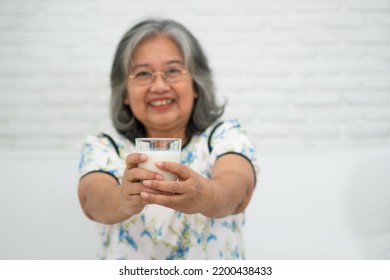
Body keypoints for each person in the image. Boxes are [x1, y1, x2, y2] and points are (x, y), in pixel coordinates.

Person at [78, 18, 259, 260]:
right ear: (124, 93)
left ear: (196, 84)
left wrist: (204, 194)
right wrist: (122, 199)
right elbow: (92, 200)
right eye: (143, 73)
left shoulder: (224, 137)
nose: (159, 86)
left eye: (173, 70)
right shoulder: (104, 147)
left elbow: (237, 190)